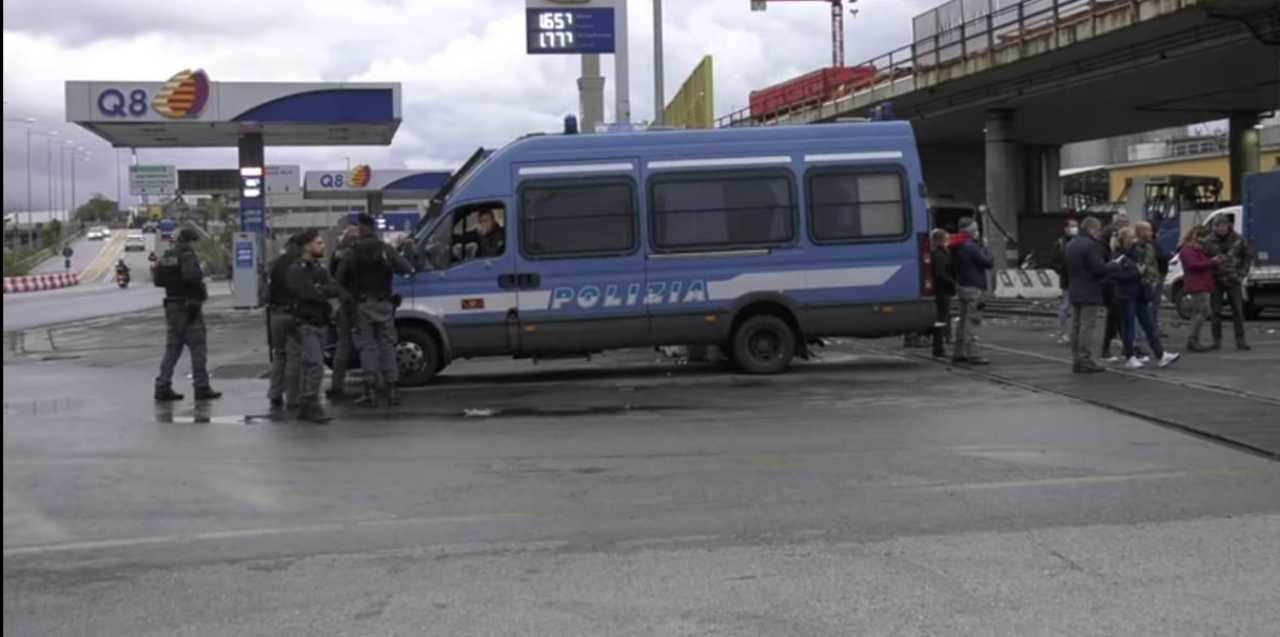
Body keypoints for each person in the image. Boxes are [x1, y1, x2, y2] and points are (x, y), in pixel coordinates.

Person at [337, 214, 415, 406]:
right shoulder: (386, 250)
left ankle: (370, 391)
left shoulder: (351, 252)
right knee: (387, 346)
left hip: (362, 306)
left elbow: (339, 278)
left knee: (367, 348)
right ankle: (392, 390)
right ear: (374, 229)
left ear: (361, 229)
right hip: (384, 304)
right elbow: (406, 268)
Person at [153, 227, 221, 401]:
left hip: (172, 305)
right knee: (198, 348)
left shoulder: (168, 255)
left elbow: (158, 280)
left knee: (173, 349)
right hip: (188, 305)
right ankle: (201, 386)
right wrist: (201, 271)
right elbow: (192, 276)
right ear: (190, 241)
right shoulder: (187, 255)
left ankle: (162, 385)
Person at [287, 230, 348, 423]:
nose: (323, 246)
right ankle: (311, 404)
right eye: (318, 243)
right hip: (305, 323)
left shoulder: (318, 268)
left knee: (311, 365)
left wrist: (320, 289)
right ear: (307, 246)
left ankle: (307, 405)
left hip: (320, 322)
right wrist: (321, 291)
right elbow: (307, 293)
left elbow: (334, 288)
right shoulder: (297, 269)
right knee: (314, 365)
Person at [1108, 227, 1180, 369]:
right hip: (1126, 295)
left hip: (1140, 294)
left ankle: (1161, 354)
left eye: (1134, 237)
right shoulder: (1117, 256)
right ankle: (1130, 356)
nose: (1134, 239)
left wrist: (1143, 275)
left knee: (1149, 326)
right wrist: (1137, 273)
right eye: (1131, 237)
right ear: (1123, 239)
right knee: (1129, 328)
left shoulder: (1137, 252)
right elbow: (1116, 277)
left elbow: (1144, 268)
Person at [1064, 216, 1109, 373]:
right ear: (1091, 229)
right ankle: (1085, 358)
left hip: (1074, 289)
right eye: (1098, 230)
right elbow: (1099, 268)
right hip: (1090, 290)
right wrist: (1113, 266)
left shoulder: (1070, 244)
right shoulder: (1091, 246)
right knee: (1087, 326)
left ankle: (1076, 358)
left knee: (1076, 325)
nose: (1099, 233)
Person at [264, 235, 303, 410]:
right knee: (294, 356)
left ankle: (275, 394)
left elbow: (265, 292)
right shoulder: (299, 265)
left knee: (279, 355)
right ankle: (293, 398)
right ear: (296, 247)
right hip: (293, 314)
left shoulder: (275, 264)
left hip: (276, 314)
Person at [948, 217, 993, 365]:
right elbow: (987, 262)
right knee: (973, 319)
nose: (978, 233)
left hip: (961, 286)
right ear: (970, 231)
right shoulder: (971, 246)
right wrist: (986, 248)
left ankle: (958, 351)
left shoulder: (955, 245)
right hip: (974, 287)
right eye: (976, 230)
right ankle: (973, 353)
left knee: (962, 320)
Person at [1204, 215, 1252, 351]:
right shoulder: (1208, 241)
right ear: (1214, 227)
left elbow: (1247, 256)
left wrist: (1242, 273)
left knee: (1238, 311)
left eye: (1222, 225)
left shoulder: (1239, 239)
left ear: (1228, 226)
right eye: (1217, 226)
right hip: (1215, 280)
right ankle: (1216, 341)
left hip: (1233, 279)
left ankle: (1240, 341)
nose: (1220, 228)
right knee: (1215, 312)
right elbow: (1202, 259)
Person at [326, 223, 362, 400]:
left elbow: (333, 278)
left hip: (344, 303)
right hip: (361, 303)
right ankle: (377, 384)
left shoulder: (338, 253)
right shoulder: (360, 253)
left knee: (342, 345)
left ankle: (337, 384)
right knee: (369, 344)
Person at [1178, 225, 1218, 352]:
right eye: (1204, 238)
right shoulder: (1187, 250)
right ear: (1196, 237)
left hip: (1203, 284)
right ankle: (1193, 339)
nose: (1205, 241)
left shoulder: (1197, 250)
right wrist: (1212, 261)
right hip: (1197, 284)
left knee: (1200, 312)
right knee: (1203, 311)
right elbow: (1193, 265)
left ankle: (1194, 339)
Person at [1132, 221, 1171, 344]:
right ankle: (1137, 343)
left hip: (1152, 281)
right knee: (1143, 313)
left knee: (1149, 311)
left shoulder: (1150, 245)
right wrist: (1149, 278)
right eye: (1149, 230)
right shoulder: (1137, 246)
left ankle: (1146, 341)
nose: (1151, 233)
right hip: (1144, 283)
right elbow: (1144, 265)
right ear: (1141, 232)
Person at [1051, 219, 1079, 344]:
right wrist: (1064, 272)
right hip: (1067, 280)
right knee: (1066, 307)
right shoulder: (1060, 243)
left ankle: (1074, 333)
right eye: (1072, 226)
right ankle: (1062, 333)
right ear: (1066, 229)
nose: (1074, 228)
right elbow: (1054, 262)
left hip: (1079, 280)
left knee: (1075, 308)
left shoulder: (1079, 241)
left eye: (1076, 226)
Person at [929, 228, 956, 359]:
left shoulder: (938, 253)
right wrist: (953, 282)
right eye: (946, 239)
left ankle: (939, 346)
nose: (948, 241)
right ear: (940, 240)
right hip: (942, 290)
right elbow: (941, 273)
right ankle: (938, 347)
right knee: (941, 319)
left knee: (941, 319)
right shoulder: (939, 254)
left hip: (942, 290)